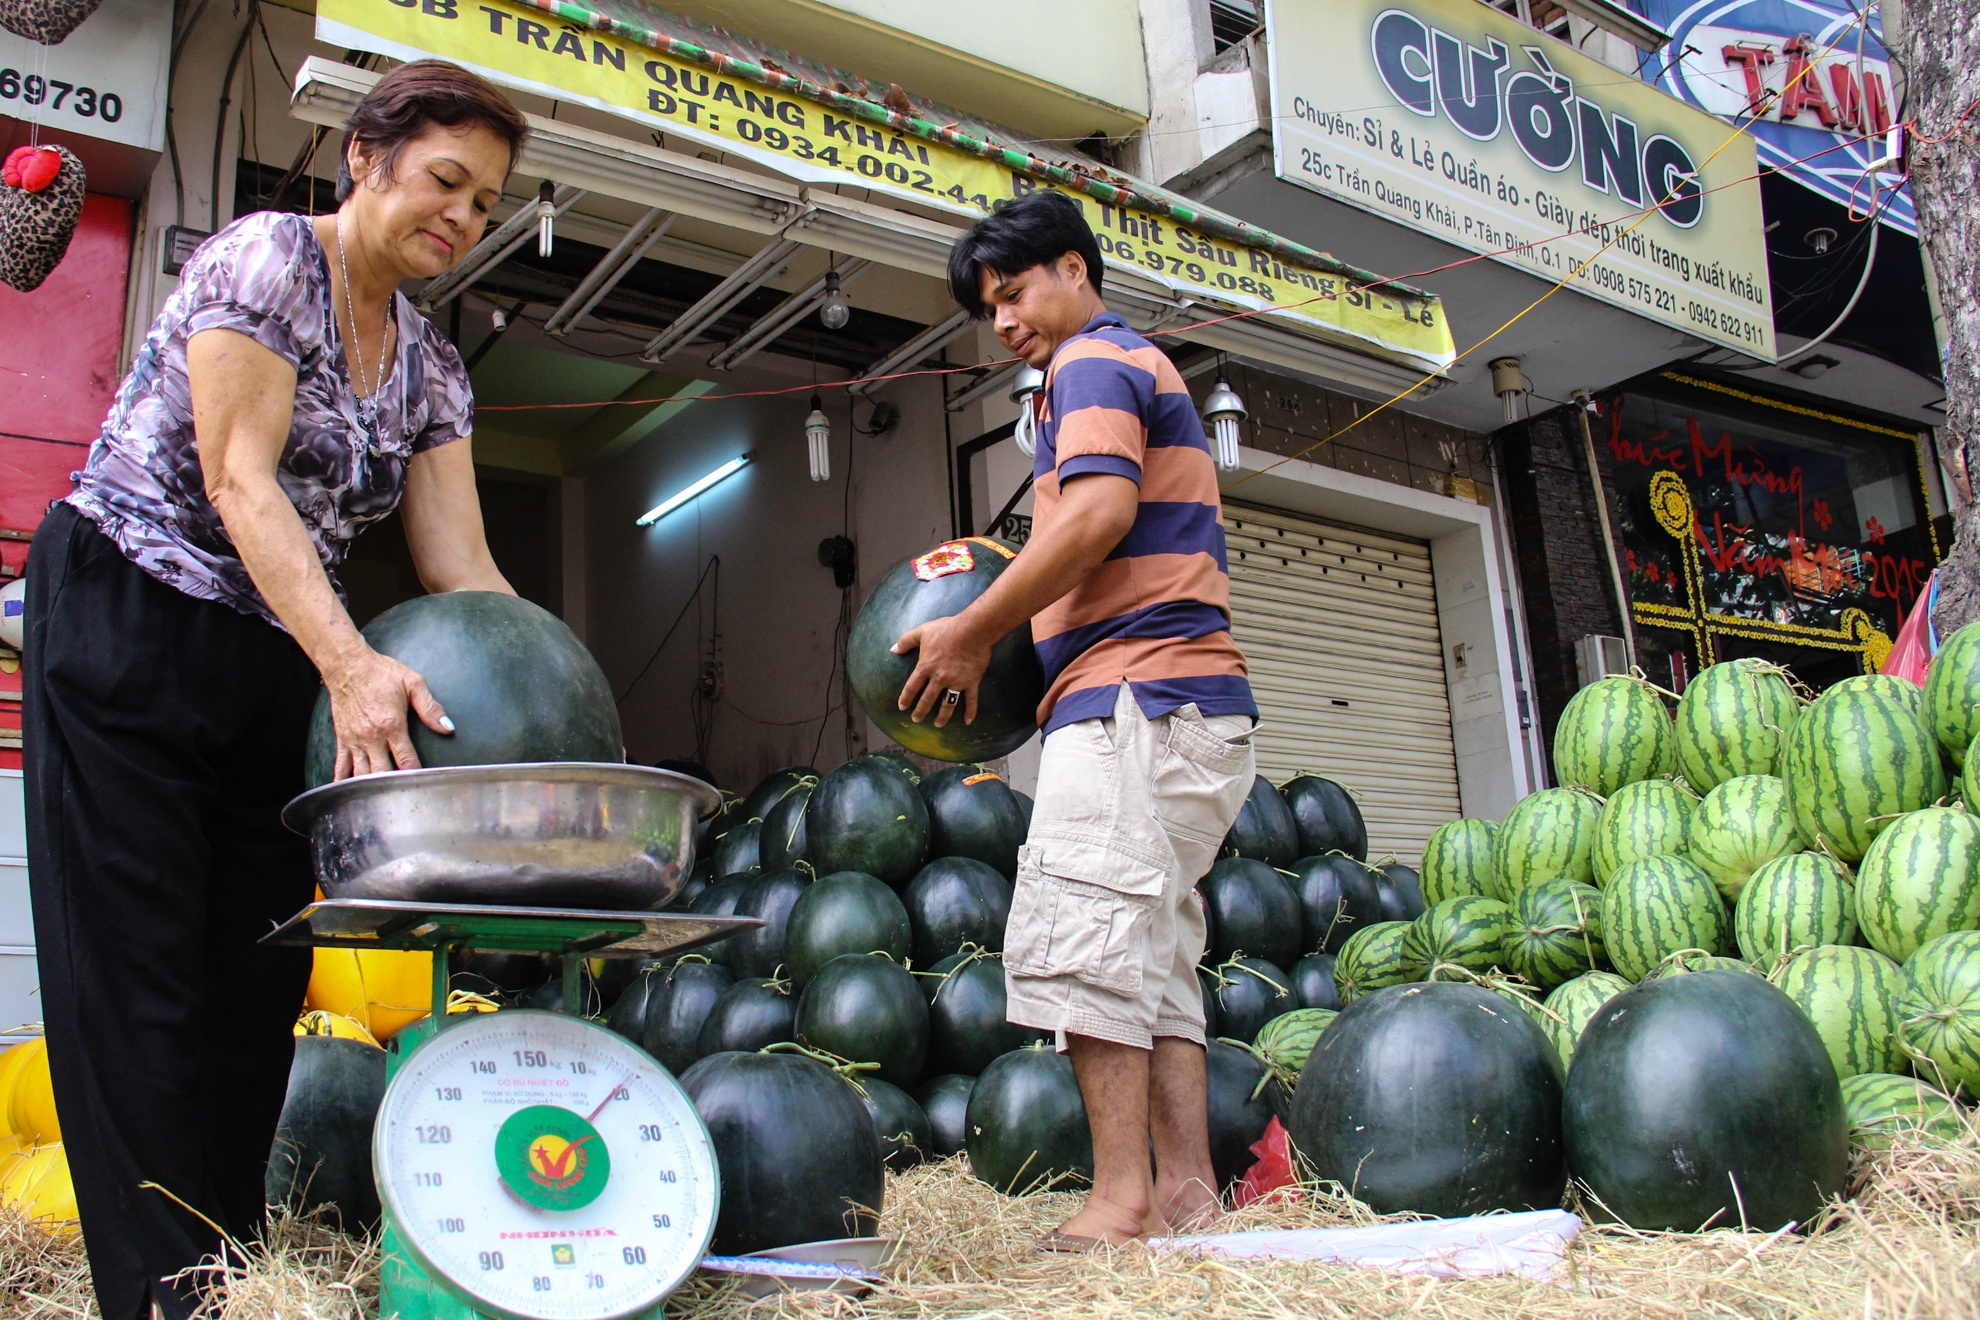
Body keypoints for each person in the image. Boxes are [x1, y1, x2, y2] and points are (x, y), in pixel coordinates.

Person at [20, 61, 529, 1318]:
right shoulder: (263, 261)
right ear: (366, 156)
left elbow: (463, 571)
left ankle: (229, 1264)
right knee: (138, 968)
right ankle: (161, 1295)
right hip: (131, 608)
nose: (461, 218)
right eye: (445, 182)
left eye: (485, 203)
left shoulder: (432, 369)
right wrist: (353, 665)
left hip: (271, 652)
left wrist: (559, 723)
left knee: (254, 974)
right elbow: (239, 480)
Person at [897, 190, 1258, 1248]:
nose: (1005, 324)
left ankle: (1119, 1202)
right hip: (1194, 706)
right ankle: (1188, 1195)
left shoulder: (1091, 363)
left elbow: (1098, 515)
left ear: (1072, 267)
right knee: (1154, 967)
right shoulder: (1123, 366)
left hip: (1133, 700)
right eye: (990, 311)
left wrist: (971, 630)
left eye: (1014, 294)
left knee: (1093, 946)